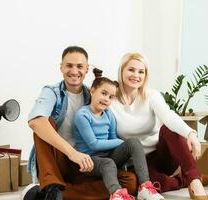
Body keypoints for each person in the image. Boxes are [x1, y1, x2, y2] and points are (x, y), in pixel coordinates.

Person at [24, 46, 137, 200]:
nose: (74, 71)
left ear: (87, 69)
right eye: (69, 66)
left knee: (130, 182)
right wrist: (73, 153)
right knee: (43, 122)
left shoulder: (94, 94)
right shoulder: (52, 92)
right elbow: (35, 122)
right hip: (60, 160)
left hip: (87, 163)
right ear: (61, 67)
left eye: (80, 66)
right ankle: (51, 185)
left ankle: (54, 194)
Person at [109, 52, 208, 200]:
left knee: (168, 128)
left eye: (141, 71)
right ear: (121, 70)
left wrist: (191, 133)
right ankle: (182, 181)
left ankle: (195, 181)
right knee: (154, 185)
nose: (136, 75)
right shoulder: (110, 100)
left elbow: (169, 116)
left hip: (162, 156)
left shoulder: (151, 95)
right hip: (137, 164)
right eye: (131, 70)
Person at [73, 68, 165, 200]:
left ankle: (145, 186)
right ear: (92, 91)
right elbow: (93, 144)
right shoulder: (82, 115)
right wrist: (121, 142)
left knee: (133, 142)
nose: (106, 99)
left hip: (109, 156)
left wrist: (123, 151)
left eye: (110, 97)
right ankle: (116, 194)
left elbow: (112, 138)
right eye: (103, 93)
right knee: (108, 163)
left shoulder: (108, 114)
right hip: (90, 160)